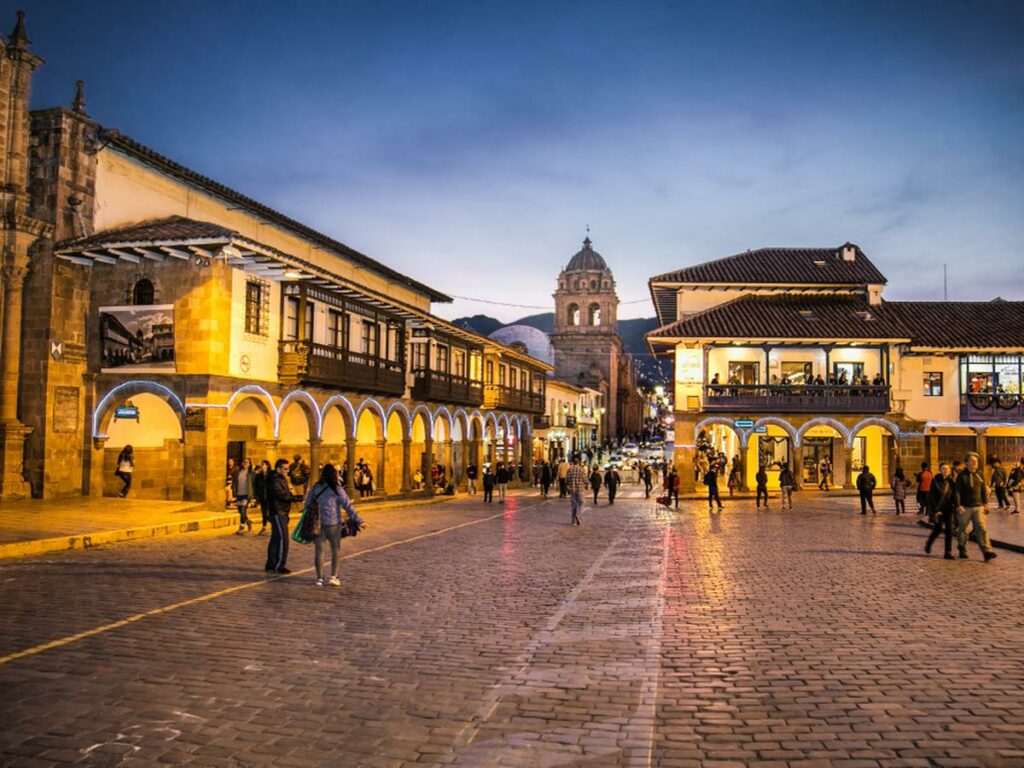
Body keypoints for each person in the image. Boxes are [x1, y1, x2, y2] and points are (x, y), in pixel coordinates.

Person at [305, 463, 364, 587]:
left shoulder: (316, 488)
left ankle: (320, 578)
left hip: (318, 523)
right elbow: (347, 506)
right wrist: (359, 520)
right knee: (335, 550)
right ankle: (334, 576)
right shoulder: (337, 489)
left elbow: (307, 504)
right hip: (334, 523)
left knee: (319, 551)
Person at [954, 452, 997, 562]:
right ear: (966, 462)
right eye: (972, 461)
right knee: (963, 529)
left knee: (981, 528)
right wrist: (958, 505)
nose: (974, 463)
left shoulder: (980, 474)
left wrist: (986, 503)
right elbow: (957, 491)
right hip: (965, 507)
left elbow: (983, 489)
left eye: (976, 461)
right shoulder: (961, 476)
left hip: (978, 507)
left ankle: (987, 551)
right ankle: (962, 546)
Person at [266, 458, 296, 574]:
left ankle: (271, 564)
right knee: (283, 539)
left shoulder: (281, 479)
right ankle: (279, 565)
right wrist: (295, 498)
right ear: (278, 468)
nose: (287, 471)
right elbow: (281, 495)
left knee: (276, 538)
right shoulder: (274, 480)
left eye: (288, 469)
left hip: (281, 511)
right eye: (285, 469)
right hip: (278, 511)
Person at [924, 462, 956, 560]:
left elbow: (955, 495)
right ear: (940, 470)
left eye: (947, 469)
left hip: (949, 509)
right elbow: (931, 496)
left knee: (949, 530)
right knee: (938, 529)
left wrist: (957, 505)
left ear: (950, 470)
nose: (945, 471)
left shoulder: (952, 482)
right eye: (943, 469)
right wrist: (935, 509)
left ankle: (948, 552)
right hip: (938, 509)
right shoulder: (935, 481)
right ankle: (929, 543)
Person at [232, 457, 255, 534]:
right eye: (244, 462)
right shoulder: (238, 472)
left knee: (243, 510)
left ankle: (241, 527)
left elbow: (254, 484)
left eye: (247, 462)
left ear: (250, 464)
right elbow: (234, 481)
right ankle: (247, 521)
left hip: (246, 494)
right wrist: (234, 490)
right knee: (240, 510)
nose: (245, 464)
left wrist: (253, 497)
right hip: (239, 494)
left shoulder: (251, 473)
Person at [566, 456, 588, 525]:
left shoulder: (570, 469)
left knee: (573, 505)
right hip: (580, 489)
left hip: (572, 489)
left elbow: (567, 479)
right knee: (582, 503)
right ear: (578, 463)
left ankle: (573, 521)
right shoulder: (581, 470)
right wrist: (587, 483)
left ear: (573, 462)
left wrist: (569, 486)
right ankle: (578, 515)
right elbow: (585, 479)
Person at [253, 459, 271, 535]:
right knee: (264, 512)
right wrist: (257, 496)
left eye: (264, 464)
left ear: (267, 466)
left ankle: (271, 525)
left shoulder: (271, 475)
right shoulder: (258, 476)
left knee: (270, 512)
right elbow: (256, 486)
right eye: (262, 465)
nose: (262, 466)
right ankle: (264, 526)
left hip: (270, 497)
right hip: (262, 497)